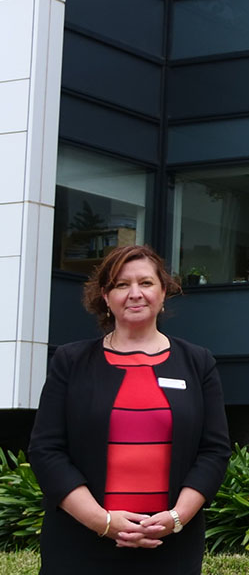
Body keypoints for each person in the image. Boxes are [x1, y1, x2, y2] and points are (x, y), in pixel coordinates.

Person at [28, 245, 231, 574]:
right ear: (105, 296)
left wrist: (177, 518)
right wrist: (103, 522)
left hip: (170, 546)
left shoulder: (198, 362)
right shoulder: (70, 361)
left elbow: (214, 451)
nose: (135, 293)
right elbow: (46, 450)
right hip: (79, 546)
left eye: (146, 283)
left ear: (163, 292)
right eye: (122, 285)